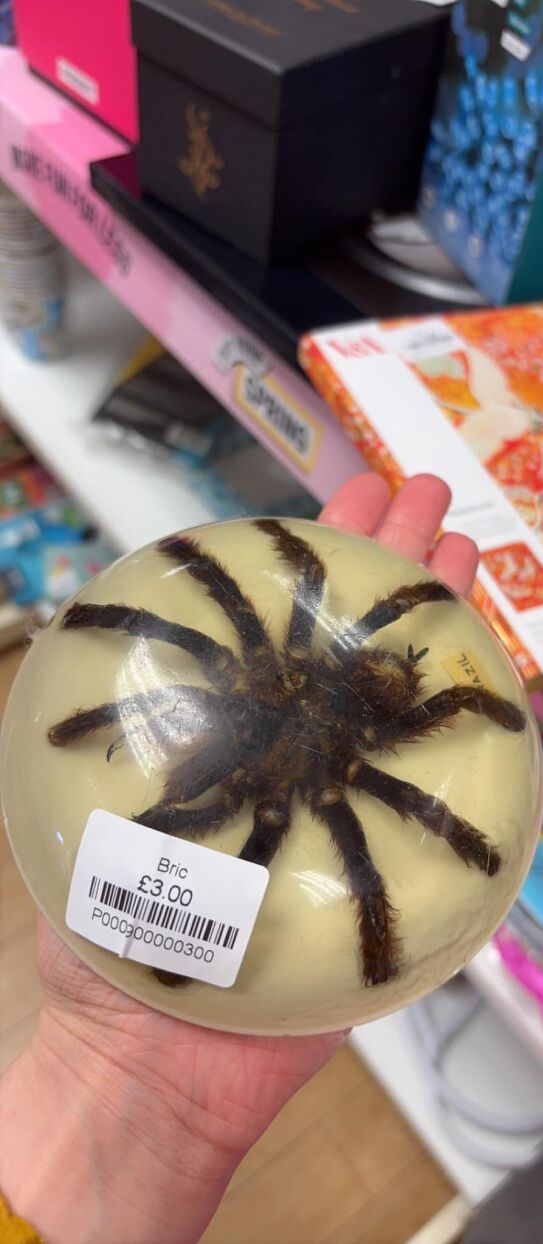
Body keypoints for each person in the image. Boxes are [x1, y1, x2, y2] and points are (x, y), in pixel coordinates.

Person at [0, 472, 478, 1244]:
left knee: (288, 835)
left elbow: (433, 710)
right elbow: (283, 583)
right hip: (304, 696)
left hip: (335, 713)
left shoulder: (307, 732)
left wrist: (457, 852)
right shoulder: (269, 671)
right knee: (205, 648)